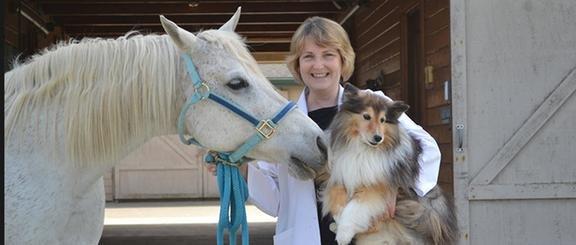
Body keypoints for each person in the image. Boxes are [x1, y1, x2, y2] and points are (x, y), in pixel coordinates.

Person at [209, 16, 441, 245]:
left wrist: (392, 189)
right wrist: (241, 168)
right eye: (308, 57)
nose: (318, 65)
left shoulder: (374, 104)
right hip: (307, 236)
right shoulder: (282, 121)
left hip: (373, 233)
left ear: (342, 61)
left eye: (328, 55)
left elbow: (429, 150)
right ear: (298, 65)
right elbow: (275, 202)